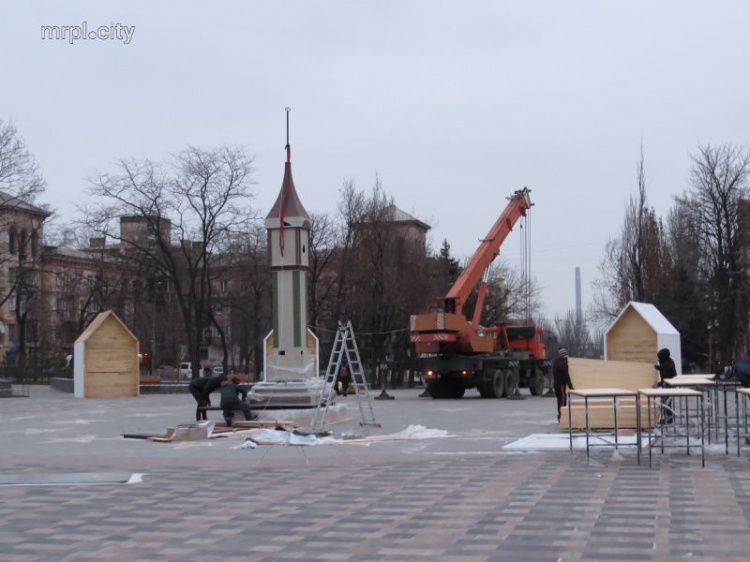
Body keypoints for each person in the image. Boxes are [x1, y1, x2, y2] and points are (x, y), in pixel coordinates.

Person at [654, 348, 677, 424]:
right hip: (666, 385)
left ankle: (669, 419)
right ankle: (667, 418)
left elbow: (666, 376)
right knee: (664, 402)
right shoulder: (665, 363)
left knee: (666, 403)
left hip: (669, 385)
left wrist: (658, 384)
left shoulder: (668, 364)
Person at [552, 348, 575, 422]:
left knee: (560, 401)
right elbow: (566, 376)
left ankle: (561, 417)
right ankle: (561, 418)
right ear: (564, 355)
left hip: (557, 385)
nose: (568, 356)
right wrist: (571, 387)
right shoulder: (563, 364)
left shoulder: (556, 362)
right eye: (566, 354)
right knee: (562, 401)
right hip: (561, 385)